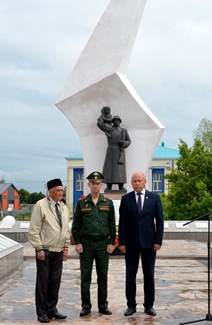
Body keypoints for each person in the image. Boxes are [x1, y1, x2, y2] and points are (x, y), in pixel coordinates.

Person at [118, 172, 164, 317]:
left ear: (145, 182)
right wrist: (122, 242)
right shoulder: (126, 199)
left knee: (149, 275)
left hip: (149, 243)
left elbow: (160, 221)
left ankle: (149, 305)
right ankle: (131, 305)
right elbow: (122, 223)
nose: (137, 183)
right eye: (134, 181)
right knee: (130, 275)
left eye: (139, 181)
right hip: (131, 243)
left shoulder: (154, 198)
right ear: (131, 183)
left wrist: (158, 240)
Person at [71, 171, 115, 317]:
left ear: (101, 185)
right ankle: (86, 306)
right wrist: (77, 242)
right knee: (86, 276)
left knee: (102, 276)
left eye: (98, 183)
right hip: (87, 243)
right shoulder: (82, 203)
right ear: (88, 184)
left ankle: (103, 305)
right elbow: (76, 225)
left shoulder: (107, 203)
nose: (95, 186)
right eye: (93, 183)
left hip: (103, 243)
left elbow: (112, 225)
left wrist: (111, 242)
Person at [28, 179, 70, 323]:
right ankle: (42, 312)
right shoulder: (41, 205)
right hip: (45, 250)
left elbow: (65, 229)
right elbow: (34, 229)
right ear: (49, 191)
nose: (60, 193)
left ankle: (52, 309)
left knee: (55, 281)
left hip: (58, 250)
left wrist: (65, 247)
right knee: (43, 282)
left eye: (61, 190)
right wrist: (38, 248)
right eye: (57, 190)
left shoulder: (63, 207)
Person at [101, 116, 131, 191]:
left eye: (118, 120)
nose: (116, 122)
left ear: (120, 121)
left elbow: (129, 140)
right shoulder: (109, 129)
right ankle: (109, 185)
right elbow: (100, 124)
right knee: (109, 168)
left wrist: (124, 143)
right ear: (112, 121)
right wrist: (103, 115)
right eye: (115, 120)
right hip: (111, 151)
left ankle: (121, 185)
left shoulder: (123, 131)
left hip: (120, 151)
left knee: (120, 169)